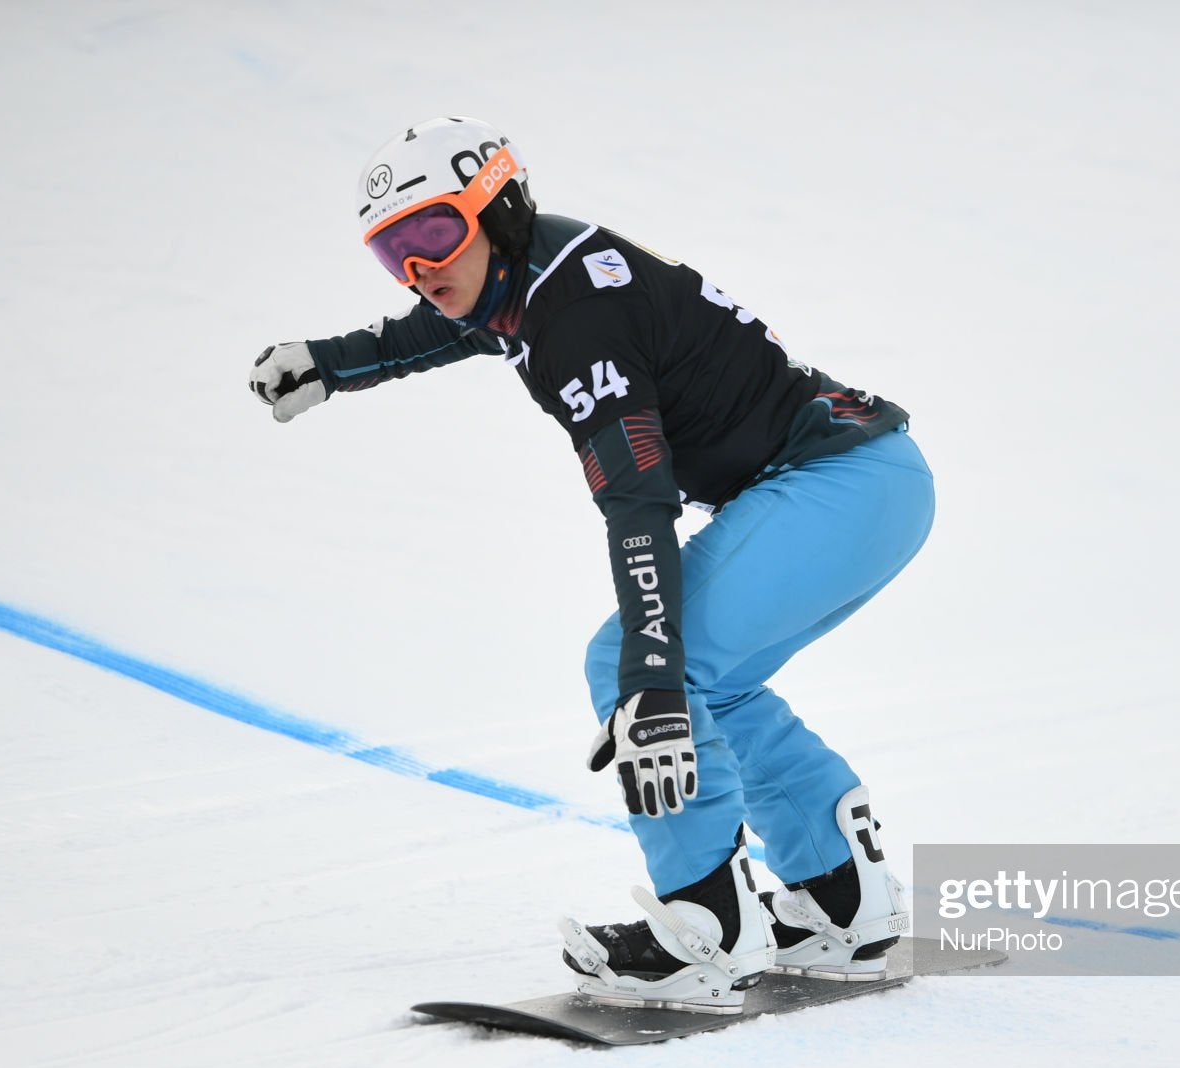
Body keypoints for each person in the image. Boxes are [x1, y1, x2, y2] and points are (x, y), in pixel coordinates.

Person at [249, 116, 932, 1014]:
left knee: (639, 665)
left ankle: (707, 928)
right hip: (868, 482)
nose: (418, 270)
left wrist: (647, 674)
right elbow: (458, 326)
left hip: (831, 488)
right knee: (712, 682)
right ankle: (844, 899)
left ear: (497, 210)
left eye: (433, 234)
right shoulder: (540, 274)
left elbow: (639, 501)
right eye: (393, 253)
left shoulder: (577, 318)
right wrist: (334, 365)